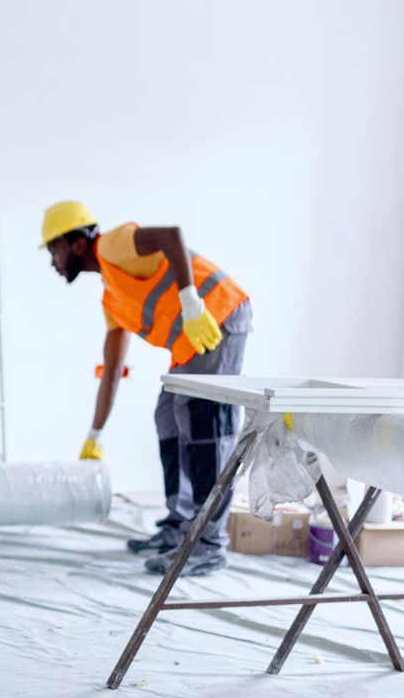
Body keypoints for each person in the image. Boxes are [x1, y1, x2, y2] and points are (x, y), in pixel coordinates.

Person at [41, 201, 251, 577]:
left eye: (53, 250)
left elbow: (171, 236)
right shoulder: (111, 295)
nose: (53, 263)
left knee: (204, 422)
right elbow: (112, 369)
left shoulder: (113, 245)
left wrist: (191, 303)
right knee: (169, 414)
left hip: (216, 315)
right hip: (192, 340)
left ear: (75, 244)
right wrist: (95, 435)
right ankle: (179, 524)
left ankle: (207, 544)